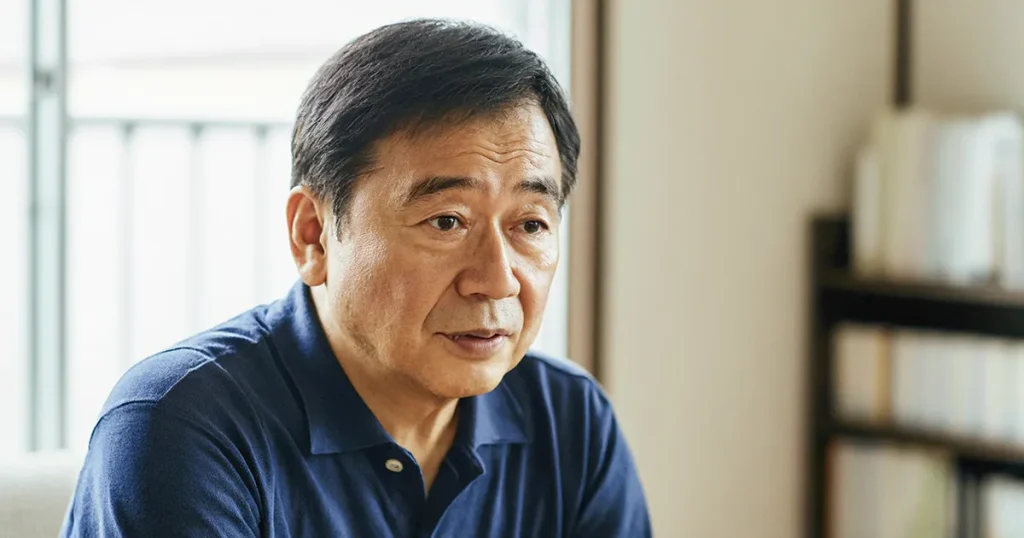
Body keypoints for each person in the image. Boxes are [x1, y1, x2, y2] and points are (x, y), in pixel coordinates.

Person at [60, 18, 651, 537]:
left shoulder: (568, 420)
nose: (497, 281)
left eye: (530, 224)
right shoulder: (183, 425)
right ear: (313, 234)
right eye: (447, 221)